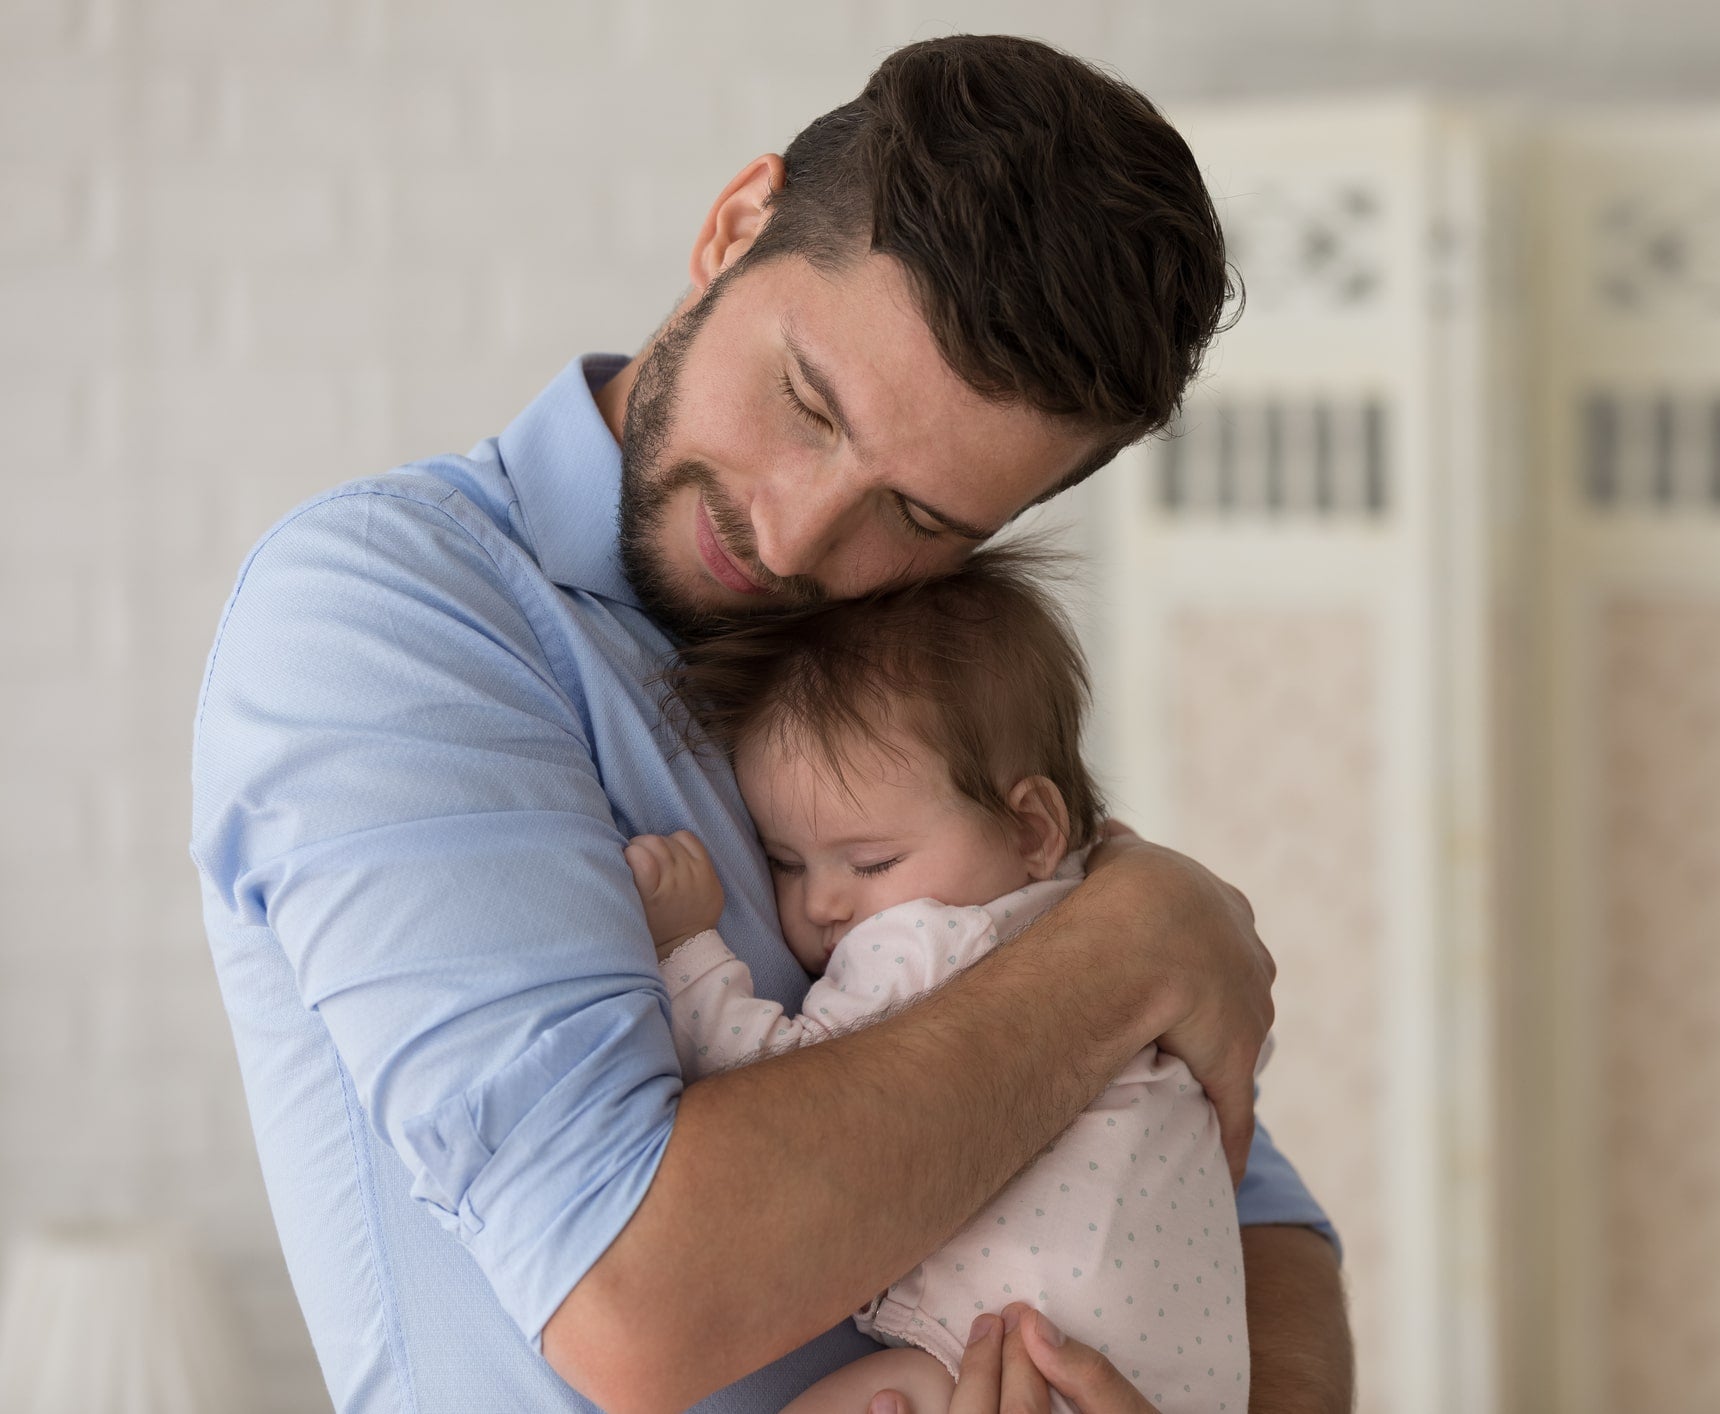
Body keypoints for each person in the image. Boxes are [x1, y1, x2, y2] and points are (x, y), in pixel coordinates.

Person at [190, 34, 1353, 1414]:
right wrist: (1133, 941)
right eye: (808, 402)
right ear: (734, 225)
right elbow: (635, 1300)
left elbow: (1250, 1214)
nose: (798, 532)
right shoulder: (394, 615)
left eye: (919, 514)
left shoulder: (917, 669)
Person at [626, 549, 1250, 1413]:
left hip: (1004, 1363)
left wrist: (687, 946)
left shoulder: (925, 942)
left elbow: (782, 1091)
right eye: (784, 862)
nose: (824, 902)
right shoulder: (1107, 915)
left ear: (1031, 827)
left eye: (871, 860)